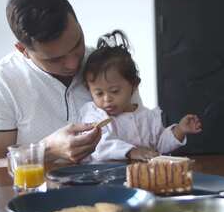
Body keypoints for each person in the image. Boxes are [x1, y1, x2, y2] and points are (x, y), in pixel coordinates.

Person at [0, 0, 105, 168]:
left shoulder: (106, 65)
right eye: (54, 59)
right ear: (22, 50)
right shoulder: (0, 84)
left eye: (77, 45)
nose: (73, 64)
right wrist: (47, 151)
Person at [79, 30, 203, 162]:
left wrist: (179, 130)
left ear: (134, 85)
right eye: (99, 93)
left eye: (114, 91)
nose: (107, 99)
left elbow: (160, 147)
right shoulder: (94, 115)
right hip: (105, 179)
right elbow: (99, 145)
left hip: (143, 179)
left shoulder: (148, 117)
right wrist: (131, 151)